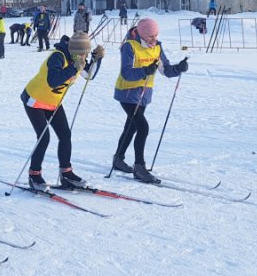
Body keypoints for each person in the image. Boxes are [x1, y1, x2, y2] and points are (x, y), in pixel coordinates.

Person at [22, 31, 106, 190]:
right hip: (34, 99)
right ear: (73, 50)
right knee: (43, 138)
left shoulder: (78, 57)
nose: (83, 56)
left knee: (65, 135)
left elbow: (89, 75)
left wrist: (97, 59)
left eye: (86, 53)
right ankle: (34, 175)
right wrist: (74, 68)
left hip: (53, 102)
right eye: (81, 53)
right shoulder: (58, 56)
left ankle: (66, 174)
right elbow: (53, 81)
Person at [111, 18, 188, 183]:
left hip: (143, 94)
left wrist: (178, 68)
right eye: (150, 36)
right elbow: (126, 73)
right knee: (142, 127)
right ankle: (139, 167)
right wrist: (145, 70)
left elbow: (165, 70)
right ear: (142, 35)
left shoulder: (157, 47)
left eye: (156, 35)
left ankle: (118, 159)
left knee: (131, 127)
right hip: (127, 92)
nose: (154, 39)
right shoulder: (129, 47)